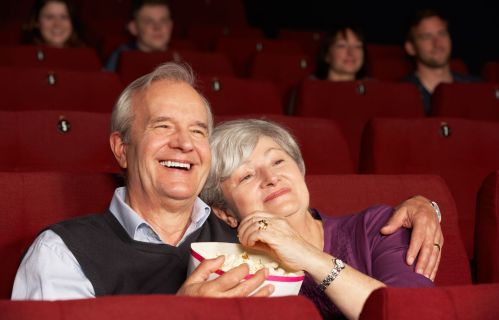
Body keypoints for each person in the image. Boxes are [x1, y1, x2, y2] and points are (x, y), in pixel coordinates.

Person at [12, 62, 442, 301]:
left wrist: (426, 205)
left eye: (199, 131)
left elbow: (330, 239)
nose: (184, 143)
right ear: (122, 148)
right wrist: (182, 315)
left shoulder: (255, 237)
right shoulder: (62, 254)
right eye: (163, 126)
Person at [201, 119, 440, 319]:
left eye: (278, 161)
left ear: (300, 169)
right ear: (225, 213)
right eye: (246, 176)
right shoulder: (225, 272)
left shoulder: (380, 226)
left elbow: (412, 313)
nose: (271, 177)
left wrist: (306, 254)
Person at [403, 9, 480, 115]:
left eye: (442, 34)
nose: (437, 43)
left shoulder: (476, 88)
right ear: (411, 48)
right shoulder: (402, 94)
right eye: (427, 37)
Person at [104, 0, 174, 71]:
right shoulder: (120, 58)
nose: (157, 27)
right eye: (148, 21)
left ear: (171, 25)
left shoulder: (179, 57)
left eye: (163, 20)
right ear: (133, 27)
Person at [21, 0, 86, 48]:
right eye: (50, 17)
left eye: (64, 17)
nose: (57, 24)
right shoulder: (22, 56)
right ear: (36, 22)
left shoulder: (88, 57)